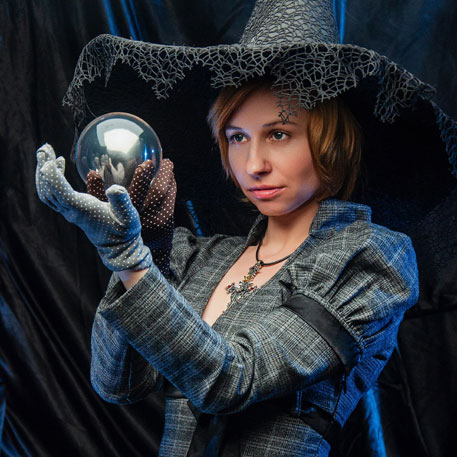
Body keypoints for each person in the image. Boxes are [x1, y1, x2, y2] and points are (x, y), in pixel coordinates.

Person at [35, 0, 456, 455]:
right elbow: (118, 383)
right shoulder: (200, 257)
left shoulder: (371, 258)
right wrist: (147, 252)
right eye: (237, 137)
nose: (253, 164)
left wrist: (130, 261)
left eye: (279, 133)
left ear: (331, 140)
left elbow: (233, 380)